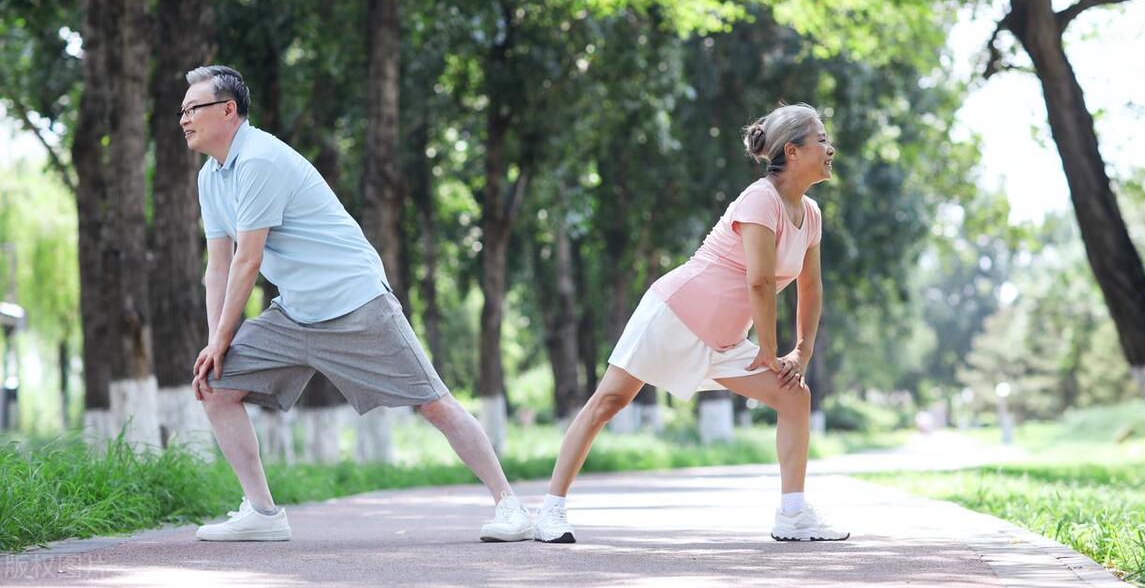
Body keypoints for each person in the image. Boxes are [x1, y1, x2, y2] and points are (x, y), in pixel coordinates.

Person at [182, 65, 531, 543]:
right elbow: (218, 267)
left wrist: (224, 336)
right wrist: (214, 345)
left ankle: (511, 506)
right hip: (296, 312)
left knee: (434, 404)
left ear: (228, 110)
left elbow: (249, 260)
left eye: (193, 108)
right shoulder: (210, 177)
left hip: (356, 303)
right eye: (181, 111)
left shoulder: (260, 159)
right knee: (214, 386)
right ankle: (262, 513)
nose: (184, 118)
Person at [533, 103, 848, 544]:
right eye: (822, 140)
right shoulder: (760, 199)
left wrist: (802, 351)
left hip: (724, 338)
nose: (830, 149)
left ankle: (793, 514)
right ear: (792, 151)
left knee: (795, 397)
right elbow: (759, 282)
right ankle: (550, 510)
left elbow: (810, 288)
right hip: (676, 313)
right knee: (609, 402)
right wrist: (768, 348)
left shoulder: (810, 214)